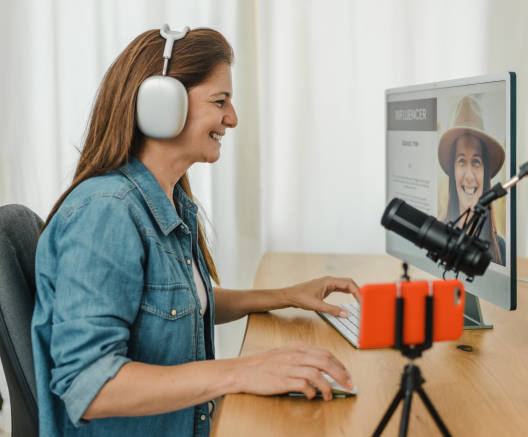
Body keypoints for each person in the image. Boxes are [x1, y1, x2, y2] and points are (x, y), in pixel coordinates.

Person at [31, 26, 358, 437]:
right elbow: (89, 386)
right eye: (220, 101)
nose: (232, 119)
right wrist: (241, 372)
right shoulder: (107, 213)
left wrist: (285, 296)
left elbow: (175, 306)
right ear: (160, 106)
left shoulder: (166, 199)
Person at [437, 95, 506, 265]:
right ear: (453, 170)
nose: (468, 175)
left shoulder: (501, 248)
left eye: (476, 162)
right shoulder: (436, 236)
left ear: (486, 171)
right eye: (461, 161)